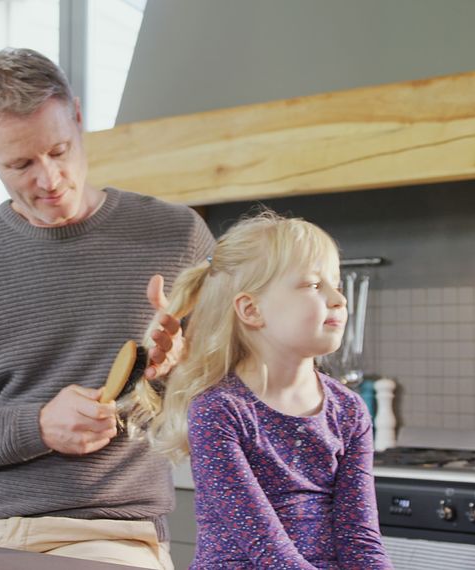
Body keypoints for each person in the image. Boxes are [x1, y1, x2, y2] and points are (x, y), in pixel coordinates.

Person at [0, 47, 215, 570]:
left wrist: (183, 372)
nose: (50, 179)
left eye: (59, 150)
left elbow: (234, 393)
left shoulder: (177, 236)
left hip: (106, 535)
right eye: (21, 164)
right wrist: (37, 427)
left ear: (78, 117)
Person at [125, 211, 392, 569]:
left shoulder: (349, 410)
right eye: (314, 285)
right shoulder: (219, 411)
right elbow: (266, 546)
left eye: (337, 285)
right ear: (251, 309)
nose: (338, 299)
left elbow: (359, 537)